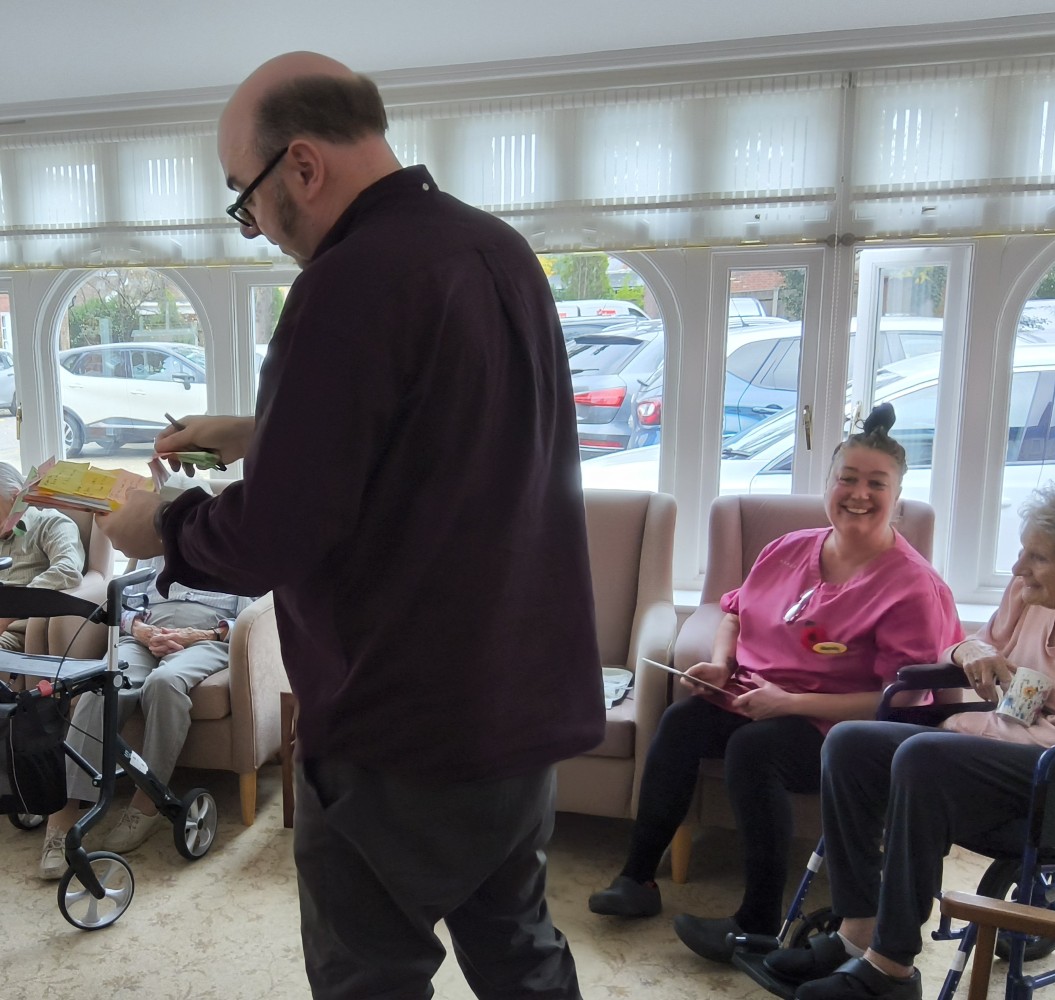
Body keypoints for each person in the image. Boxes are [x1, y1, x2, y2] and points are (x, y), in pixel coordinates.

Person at [97, 52, 603, 1000]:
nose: (254, 229)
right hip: (517, 705)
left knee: (369, 972)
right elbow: (443, 433)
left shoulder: (347, 280)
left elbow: (279, 537)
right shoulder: (494, 248)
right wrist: (260, 432)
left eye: (243, 201)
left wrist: (161, 525)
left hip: (400, 722)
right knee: (519, 952)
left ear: (301, 165)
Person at [770, 479, 1055, 1000]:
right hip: (1033, 747)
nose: (1017, 568)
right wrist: (969, 653)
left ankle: (890, 970)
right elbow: (983, 641)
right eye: (1023, 549)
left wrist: (960, 727)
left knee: (926, 754)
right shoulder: (1038, 590)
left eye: (1038, 557)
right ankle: (858, 932)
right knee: (851, 744)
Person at [588, 404, 963, 964]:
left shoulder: (911, 586)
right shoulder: (788, 549)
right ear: (829, 484)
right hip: (758, 698)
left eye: (876, 483)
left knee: (752, 750)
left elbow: (901, 698)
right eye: (848, 479)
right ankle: (637, 879)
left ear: (897, 494)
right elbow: (734, 612)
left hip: (846, 725)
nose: (859, 493)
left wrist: (789, 702)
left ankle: (757, 923)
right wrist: (720, 664)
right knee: (683, 720)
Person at [37, 556, 248, 879]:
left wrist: (202, 635)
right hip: (143, 634)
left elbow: (253, 612)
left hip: (206, 637)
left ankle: (146, 804)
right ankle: (63, 814)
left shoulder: (239, 549)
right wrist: (140, 629)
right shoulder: (155, 547)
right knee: (102, 688)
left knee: (165, 684)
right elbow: (122, 599)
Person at [0, 461, 85, 655]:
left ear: (15, 497)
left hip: (17, 629)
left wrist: (10, 610)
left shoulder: (51, 524)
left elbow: (67, 569)